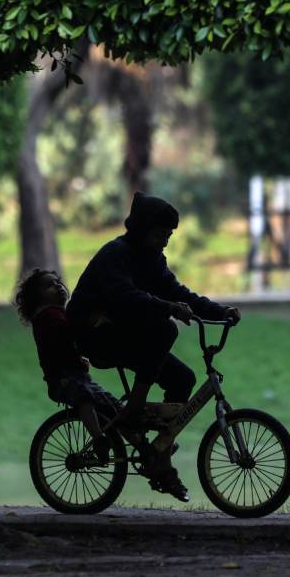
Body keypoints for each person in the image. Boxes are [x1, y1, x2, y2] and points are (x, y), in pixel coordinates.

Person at [66, 191, 241, 501]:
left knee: (183, 379)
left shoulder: (152, 261)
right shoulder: (115, 254)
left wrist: (219, 311)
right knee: (164, 330)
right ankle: (135, 408)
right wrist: (168, 307)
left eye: (169, 234)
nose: (166, 240)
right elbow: (125, 296)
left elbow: (178, 292)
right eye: (162, 233)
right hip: (95, 336)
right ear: (143, 229)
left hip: (124, 333)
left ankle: (159, 456)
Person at [15, 268, 119, 462]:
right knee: (84, 395)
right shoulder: (47, 316)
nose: (57, 286)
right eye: (49, 285)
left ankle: (145, 447)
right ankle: (98, 439)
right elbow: (64, 336)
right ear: (36, 298)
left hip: (78, 376)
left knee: (113, 407)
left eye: (57, 282)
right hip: (62, 379)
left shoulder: (57, 314)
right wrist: (89, 325)